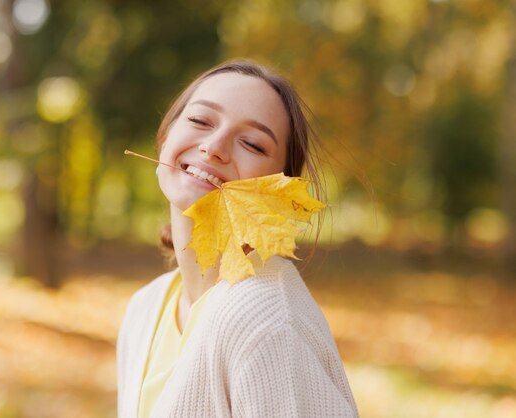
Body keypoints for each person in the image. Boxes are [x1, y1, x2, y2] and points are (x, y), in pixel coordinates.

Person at [117, 60, 359, 418]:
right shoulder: (145, 307)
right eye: (200, 121)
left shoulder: (267, 321)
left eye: (252, 143)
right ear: (166, 136)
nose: (214, 147)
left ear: (278, 188)